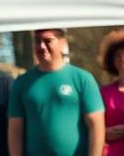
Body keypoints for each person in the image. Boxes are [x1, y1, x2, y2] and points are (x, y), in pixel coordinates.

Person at [7, 28, 104, 156]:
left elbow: (96, 126)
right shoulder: (22, 83)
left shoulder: (82, 79)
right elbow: (15, 130)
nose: (42, 46)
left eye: (48, 41)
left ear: (62, 42)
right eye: (37, 41)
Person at [97, 30, 124, 156]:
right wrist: (103, 133)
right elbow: (95, 129)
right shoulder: (104, 92)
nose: (122, 58)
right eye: (117, 55)